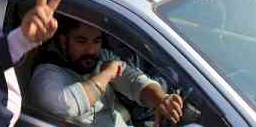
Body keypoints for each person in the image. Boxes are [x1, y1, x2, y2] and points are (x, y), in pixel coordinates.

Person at [28, 19, 182, 127]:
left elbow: (134, 82)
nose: (91, 50)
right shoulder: (46, 75)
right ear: (63, 41)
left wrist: (162, 100)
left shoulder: (102, 57)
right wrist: (106, 75)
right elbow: (67, 106)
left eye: (96, 41)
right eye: (81, 41)